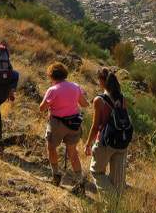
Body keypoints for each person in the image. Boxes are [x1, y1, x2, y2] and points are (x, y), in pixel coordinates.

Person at [39, 62, 89, 193]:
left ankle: (56, 175)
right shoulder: (75, 86)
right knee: (73, 153)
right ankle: (80, 182)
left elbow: (41, 108)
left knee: (51, 147)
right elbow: (84, 104)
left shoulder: (53, 90)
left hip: (57, 123)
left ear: (52, 76)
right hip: (74, 124)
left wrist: (52, 104)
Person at [85, 68, 131, 195]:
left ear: (102, 81)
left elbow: (95, 126)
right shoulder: (122, 98)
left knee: (96, 172)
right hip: (121, 142)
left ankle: (111, 200)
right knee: (118, 179)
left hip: (105, 142)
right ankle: (117, 209)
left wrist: (88, 144)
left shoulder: (99, 100)